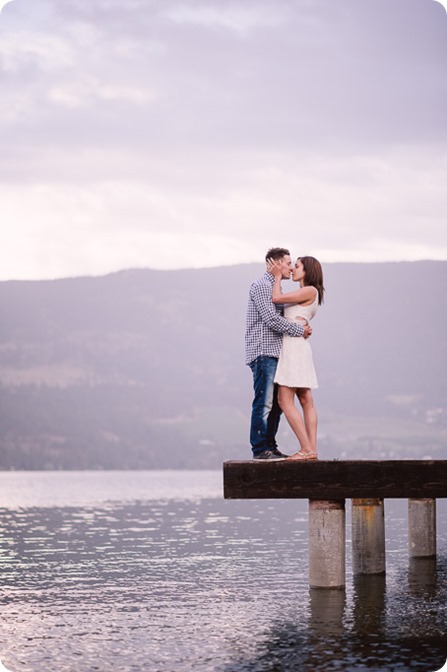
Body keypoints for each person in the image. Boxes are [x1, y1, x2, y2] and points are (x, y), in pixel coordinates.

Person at [245, 248, 312, 460]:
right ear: (274, 264)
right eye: (288, 263)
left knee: (276, 405)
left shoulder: (275, 288)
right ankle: (260, 449)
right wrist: (299, 330)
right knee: (264, 402)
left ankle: (270, 446)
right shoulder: (262, 286)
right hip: (264, 353)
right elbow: (271, 320)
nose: (291, 267)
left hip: (276, 354)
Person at [267, 255, 325, 460]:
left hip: (293, 347)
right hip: (298, 345)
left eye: (297, 266)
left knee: (285, 400)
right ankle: (312, 450)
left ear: (308, 271)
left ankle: (306, 448)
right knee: (305, 399)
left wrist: (275, 277)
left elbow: (276, 298)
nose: (292, 269)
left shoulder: (309, 290)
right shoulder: (308, 292)